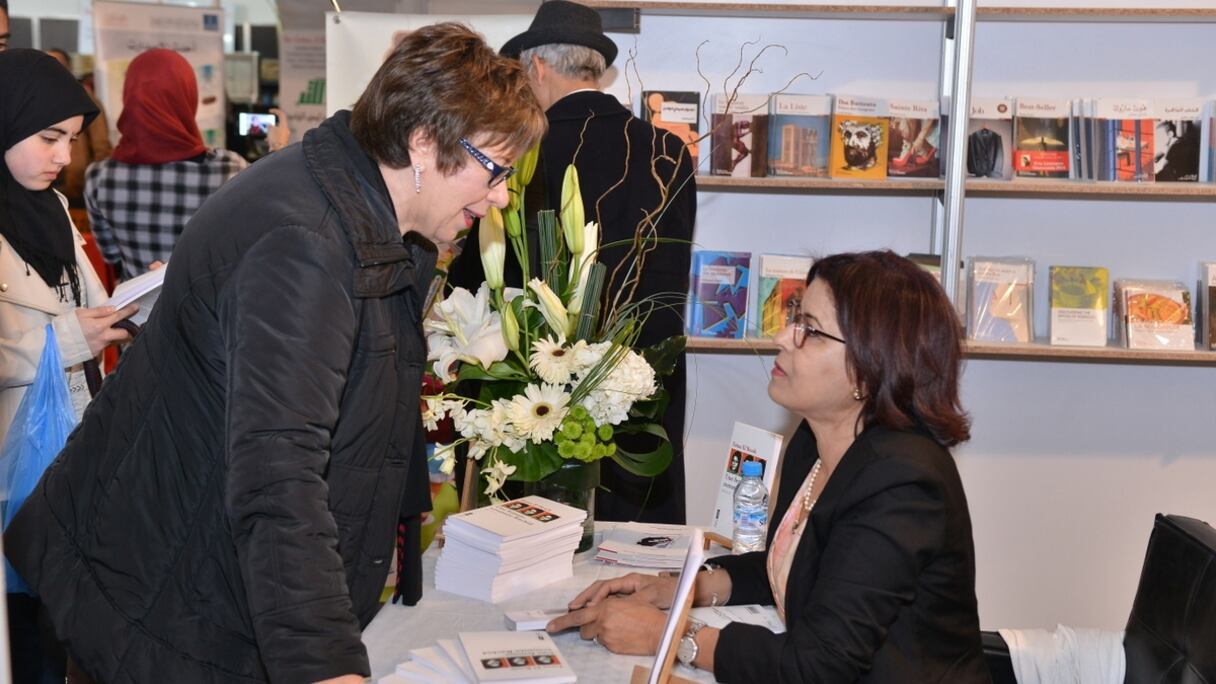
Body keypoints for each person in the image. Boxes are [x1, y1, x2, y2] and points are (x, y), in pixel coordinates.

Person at [6, 23, 545, 684]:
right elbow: (277, 473)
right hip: (159, 596)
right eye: (495, 170)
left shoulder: (358, 208)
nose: (500, 195)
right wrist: (324, 664)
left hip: (194, 580)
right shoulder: (305, 243)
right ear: (424, 143)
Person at [547, 251, 991, 683]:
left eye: (810, 330)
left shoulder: (901, 482)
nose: (783, 337)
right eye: (795, 318)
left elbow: (818, 666)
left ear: (868, 368)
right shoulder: (814, 441)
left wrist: (669, 634)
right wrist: (680, 591)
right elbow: (794, 568)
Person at [448, 0, 697, 524]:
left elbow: (475, 282)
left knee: (528, 538)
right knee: (630, 545)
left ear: (537, 66)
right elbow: (669, 282)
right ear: (593, 69)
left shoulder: (519, 151)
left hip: (529, 394)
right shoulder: (667, 153)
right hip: (638, 391)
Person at [0, 48, 137, 684]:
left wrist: (138, 301)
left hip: (74, 437)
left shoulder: (53, 207)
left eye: (72, 141)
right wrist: (64, 340)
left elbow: (85, 299)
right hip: (14, 452)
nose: (62, 156)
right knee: (22, 624)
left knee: (62, 613)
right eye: (48, 137)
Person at [83, 48, 253, 279]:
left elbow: (111, 255)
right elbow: (244, 249)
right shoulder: (230, 170)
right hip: (208, 301)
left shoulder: (99, 177)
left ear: (128, 96)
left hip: (137, 302)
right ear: (188, 97)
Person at [44, 48, 112, 208]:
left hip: (76, 187)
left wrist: (92, 182)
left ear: (69, 69)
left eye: (57, 65)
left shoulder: (85, 100)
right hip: (45, 184)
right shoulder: (34, 99)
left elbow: (101, 146)